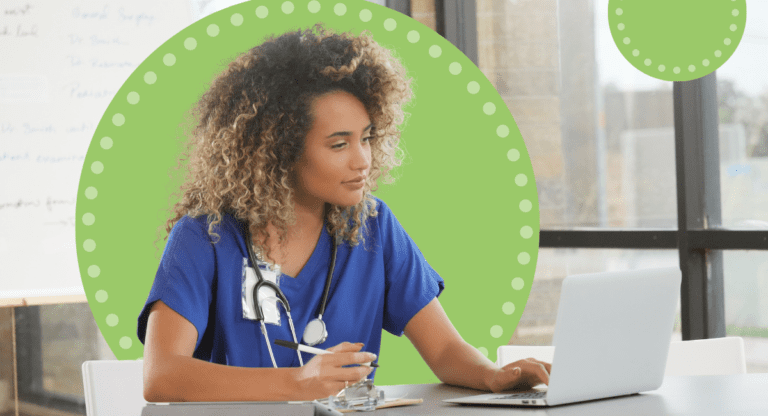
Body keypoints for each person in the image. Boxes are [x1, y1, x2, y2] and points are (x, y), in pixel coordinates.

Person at [138, 24, 550, 403]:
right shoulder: (204, 236)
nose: (363, 161)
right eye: (339, 145)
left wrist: (494, 376)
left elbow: (443, 349)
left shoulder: (372, 226)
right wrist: (299, 384)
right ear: (280, 151)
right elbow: (161, 376)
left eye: (367, 139)